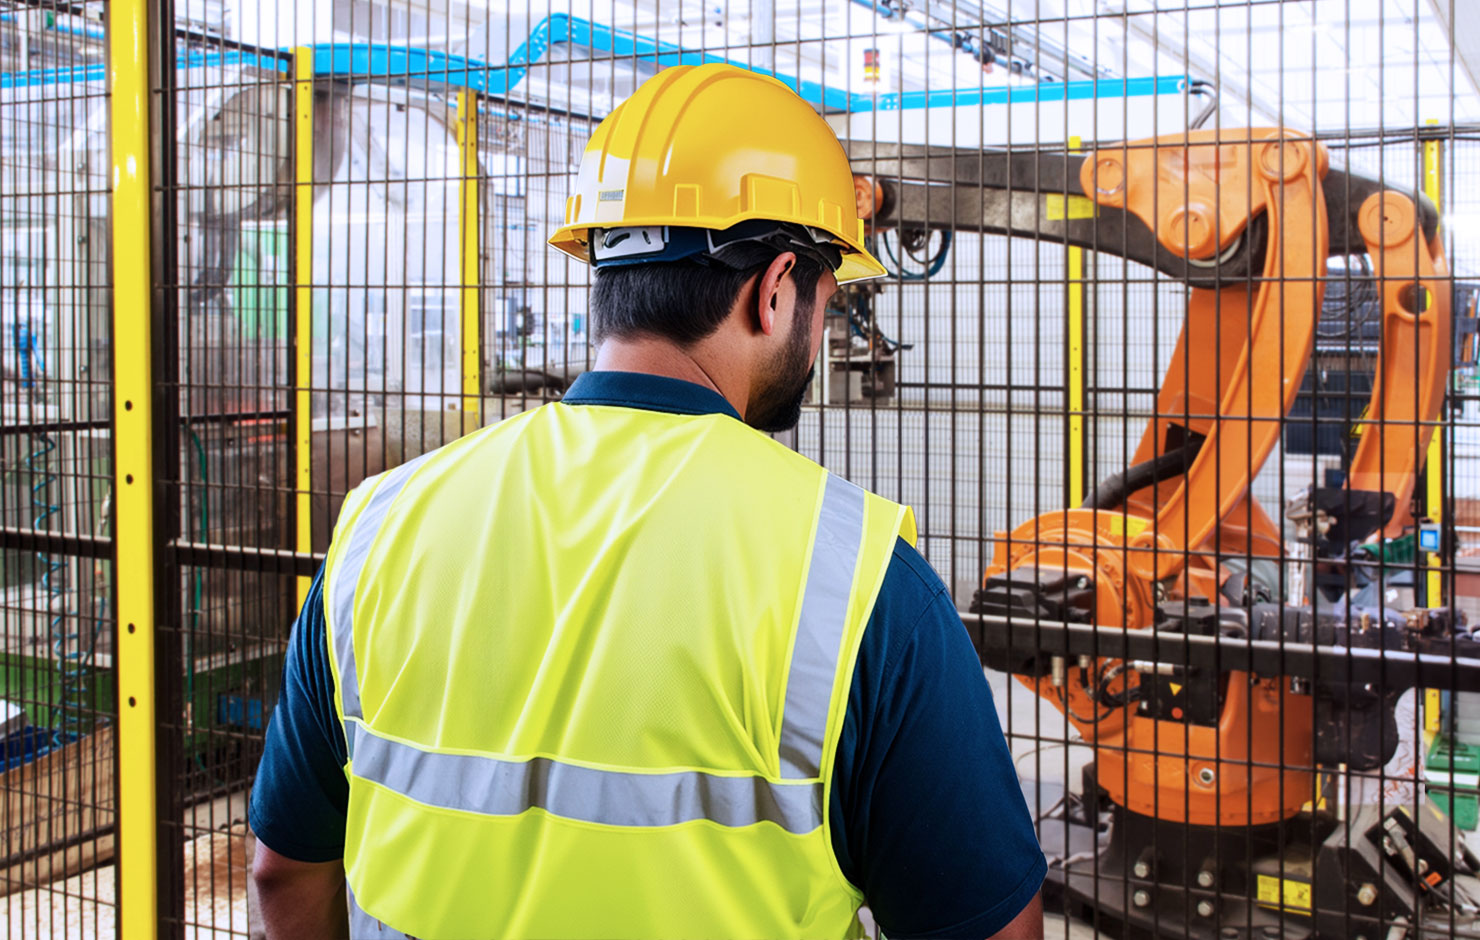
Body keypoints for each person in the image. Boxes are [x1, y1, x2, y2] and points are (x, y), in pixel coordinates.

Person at [249, 63, 1045, 939]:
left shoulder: (380, 529)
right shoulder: (860, 586)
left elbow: (284, 875)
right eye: (827, 300)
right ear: (777, 288)